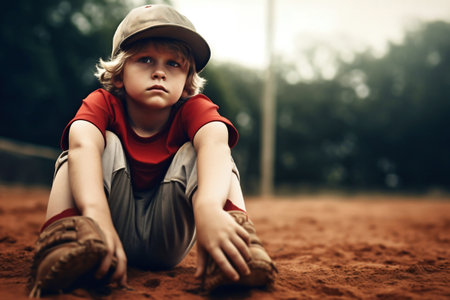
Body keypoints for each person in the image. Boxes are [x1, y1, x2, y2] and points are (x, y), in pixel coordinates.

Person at [29, 4, 276, 297]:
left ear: (187, 81)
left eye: (174, 64)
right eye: (145, 59)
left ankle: (236, 245)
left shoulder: (193, 109)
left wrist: (209, 207)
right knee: (81, 150)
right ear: (119, 73)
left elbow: (215, 139)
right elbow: (82, 141)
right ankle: (65, 242)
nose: (160, 71)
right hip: (101, 232)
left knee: (213, 152)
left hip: (167, 238)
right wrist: (95, 215)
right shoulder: (102, 103)